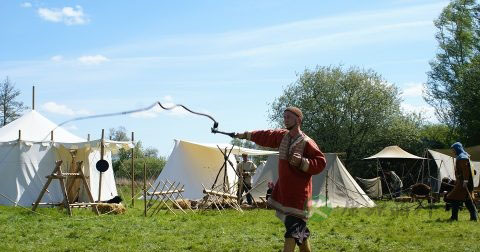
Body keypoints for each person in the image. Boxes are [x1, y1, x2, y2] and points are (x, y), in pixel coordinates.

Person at [234, 106, 326, 252]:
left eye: (289, 117)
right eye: (284, 117)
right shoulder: (283, 136)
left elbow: (321, 163)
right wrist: (243, 135)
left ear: (299, 120)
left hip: (299, 194)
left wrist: (303, 162)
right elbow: (265, 135)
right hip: (284, 191)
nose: (285, 119)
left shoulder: (307, 142)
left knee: (292, 227)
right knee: (297, 228)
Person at [445, 142, 478, 221]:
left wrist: (465, 181)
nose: (453, 151)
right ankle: (473, 218)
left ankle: (454, 217)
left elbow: (466, 171)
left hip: (464, 183)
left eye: (453, 150)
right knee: (467, 200)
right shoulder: (463, 156)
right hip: (463, 182)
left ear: (457, 149)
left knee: (454, 198)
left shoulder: (462, 157)